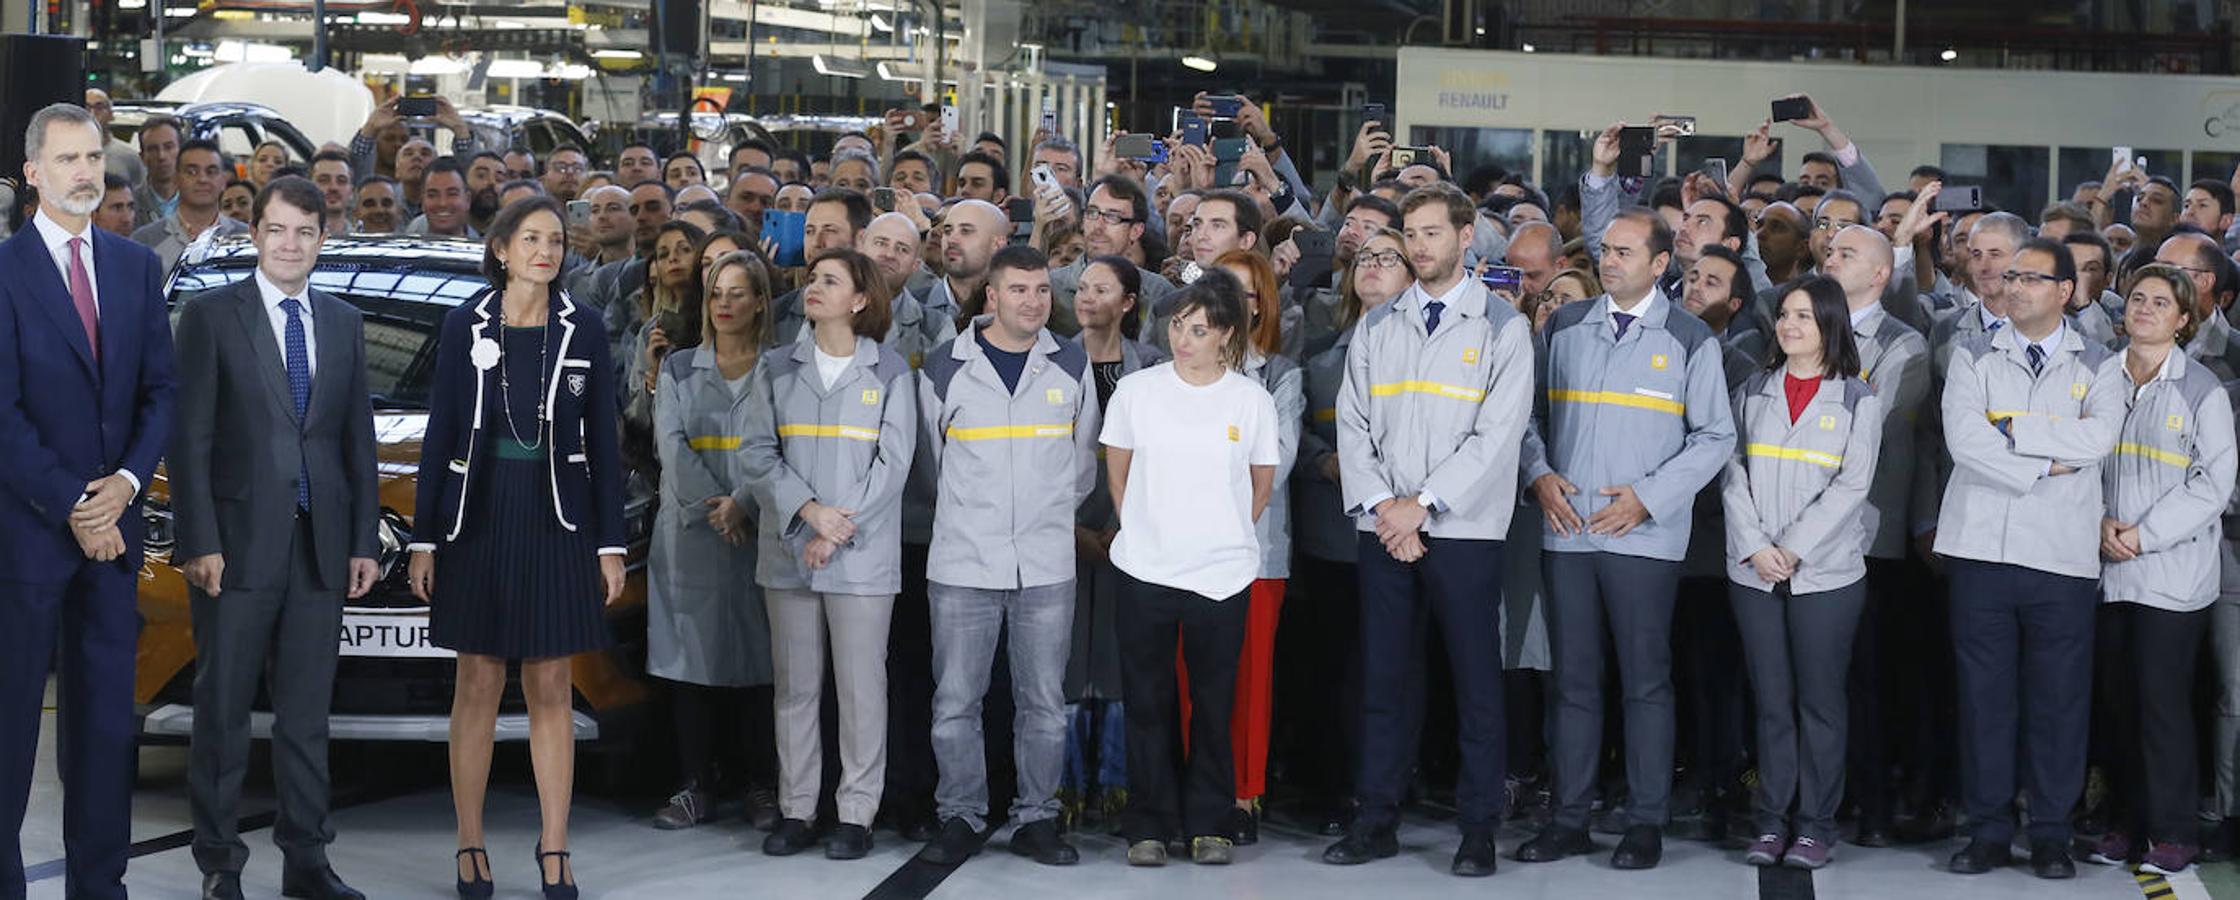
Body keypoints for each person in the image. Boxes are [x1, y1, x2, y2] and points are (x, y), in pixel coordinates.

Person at [404, 196, 629, 900]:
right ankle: (470, 842)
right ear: (500, 248)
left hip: (557, 519)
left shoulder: (583, 326)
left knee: (551, 683)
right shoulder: (463, 321)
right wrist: (424, 537)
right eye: (531, 238)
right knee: (476, 679)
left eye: (556, 240)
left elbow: (606, 440)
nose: (546, 251)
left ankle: (554, 847)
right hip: (479, 516)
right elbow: (440, 436)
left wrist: (611, 544)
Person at [168, 175, 378, 900]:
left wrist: (363, 542)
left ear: (324, 239)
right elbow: (188, 438)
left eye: (306, 232)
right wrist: (198, 540)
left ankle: (307, 860)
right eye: (278, 229)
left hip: (320, 549)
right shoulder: (210, 316)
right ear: (254, 233)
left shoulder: (346, 322)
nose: (290, 245)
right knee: (222, 713)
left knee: (306, 716)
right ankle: (220, 863)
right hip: (234, 548)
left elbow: (358, 442)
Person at [1320, 184, 1533, 877]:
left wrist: (1424, 505)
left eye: (1432, 233)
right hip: (1385, 529)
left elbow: (1497, 437)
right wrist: (1388, 507)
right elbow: (1353, 427)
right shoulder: (1378, 327)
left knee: (1475, 683)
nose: (1418, 247)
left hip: (1464, 530)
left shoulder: (1503, 327)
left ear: (1466, 238)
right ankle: (1375, 818)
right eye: (1410, 234)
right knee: (1385, 680)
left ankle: (1477, 830)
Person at [1518, 207, 1736, 870]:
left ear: (1660, 265)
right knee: (1574, 683)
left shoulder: (1692, 338)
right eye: (1605, 250)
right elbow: (1527, 419)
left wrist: (1649, 498)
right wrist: (1539, 475)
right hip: (1568, 530)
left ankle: (1645, 821)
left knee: (1646, 682)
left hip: (1644, 536)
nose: (1609, 261)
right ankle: (1570, 817)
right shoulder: (1563, 327)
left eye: (1625, 252)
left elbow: (1716, 437)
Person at [0, 101, 176, 900]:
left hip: (114, 536)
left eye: (93, 158)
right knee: (8, 734)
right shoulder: (4, 272)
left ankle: (99, 888)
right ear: (32, 172)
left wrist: (127, 486)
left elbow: (161, 394)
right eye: (66, 159)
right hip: (28, 541)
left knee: (105, 733)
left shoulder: (136, 267)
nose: (83, 173)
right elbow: (1, 415)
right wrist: (78, 504)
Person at [1936, 237, 2124, 879]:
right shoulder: (1970, 352)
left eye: (2030, 279)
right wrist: (2048, 462)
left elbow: (2099, 437)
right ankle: (1986, 829)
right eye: (2009, 277)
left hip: (2062, 557)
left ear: (2065, 291)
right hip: (1980, 549)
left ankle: (2050, 831)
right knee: (1985, 698)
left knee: (2058, 700)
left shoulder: (2100, 361)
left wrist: (2013, 431)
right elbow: (1964, 441)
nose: (2013, 287)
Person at [913, 245, 1101, 867]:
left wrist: (1041, 517)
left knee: (1044, 701)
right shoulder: (943, 369)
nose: (1033, 301)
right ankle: (960, 814)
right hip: (964, 561)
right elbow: (930, 470)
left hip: (1046, 564)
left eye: (1043, 290)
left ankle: (1037, 818)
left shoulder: (1072, 366)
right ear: (990, 296)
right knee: (956, 700)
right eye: (1019, 289)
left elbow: (1081, 471)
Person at [739, 248, 916, 861]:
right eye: (812, 279)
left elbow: (894, 465)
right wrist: (810, 513)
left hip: (860, 556)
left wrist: (837, 527)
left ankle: (857, 813)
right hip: (790, 548)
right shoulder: (776, 367)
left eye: (830, 281)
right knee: (795, 689)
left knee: (862, 688)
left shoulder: (891, 371)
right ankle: (797, 809)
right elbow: (757, 453)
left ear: (860, 299)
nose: (814, 287)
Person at [1100, 270, 1279, 868]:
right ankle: (1148, 822)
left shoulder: (1250, 399)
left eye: (1198, 329)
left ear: (1226, 334)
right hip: (1145, 567)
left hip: (1221, 574)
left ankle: (1210, 821)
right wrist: (1142, 527)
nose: (1183, 339)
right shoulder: (1138, 391)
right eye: (1178, 325)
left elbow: (1260, 483)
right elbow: (1118, 471)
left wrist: (1222, 531)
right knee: (1147, 699)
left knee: (1213, 699)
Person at [1719, 275, 1884, 871]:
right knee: (1771, 701)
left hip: (1825, 573)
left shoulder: (1857, 399)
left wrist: (1792, 548)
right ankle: (1770, 819)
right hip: (1755, 570)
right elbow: (1732, 472)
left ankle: (1815, 824)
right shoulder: (1753, 389)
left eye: (1804, 318)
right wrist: (1757, 547)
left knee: (1819, 702)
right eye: (1785, 315)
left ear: (1830, 327)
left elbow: (1852, 486)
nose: (1789, 326)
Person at [2085, 264, 2236, 876]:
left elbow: (2213, 484)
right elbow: (2079, 460)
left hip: (2171, 573)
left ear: (2183, 319)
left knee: (2162, 703)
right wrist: (2097, 522)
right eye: (2138, 298)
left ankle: (2172, 829)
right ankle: (2124, 819)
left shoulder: (2203, 389)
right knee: (2117, 701)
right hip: (2103, 564)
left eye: (2161, 302)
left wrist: (2143, 535)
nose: (2145, 309)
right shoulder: (2097, 377)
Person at [648, 250, 781, 832]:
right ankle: (693, 785)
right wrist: (719, 508)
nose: (724, 304)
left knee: (760, 664)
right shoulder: (677, 368)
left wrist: (743, 504)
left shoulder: (779, 368)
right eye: (717, 293)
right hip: (692, 537)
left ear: (759, 302)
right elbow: (671, 449)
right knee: (691, 662)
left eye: (737, 293)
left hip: (758, 532)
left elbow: (780, 446)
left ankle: (761, 785)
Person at [1289, 228, 1413, 832]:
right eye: (1364, 257)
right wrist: (1323, 460)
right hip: (1334, 538)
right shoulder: (1320, 357)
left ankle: (1385, 785)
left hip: (1403, 534)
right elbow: (1298, 433)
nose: (1372, 267)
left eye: (1389, 258)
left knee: (1388, 669)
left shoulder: (1426, 355)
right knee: (1329, 668)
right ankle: (1333, 787)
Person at [1816, 225, 1931, 847]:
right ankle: (1816, 798)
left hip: (1867, 536)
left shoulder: (1904, 345)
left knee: (1867, 678)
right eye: (1829, 250)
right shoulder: (1799, 327)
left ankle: (1873, 801)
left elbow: (1869, 429)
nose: (1831, 257)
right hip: (1798, 532)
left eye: (1847, 254)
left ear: (1882, 274)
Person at [1061, 255, 1167, 833]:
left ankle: (1119, 781)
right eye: (1081, 288)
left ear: (1128, 302)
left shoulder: (1151, 366)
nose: (1087, 297)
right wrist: (1069, 526)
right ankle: (1067, 782)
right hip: (1064, 521)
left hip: (1133, 522)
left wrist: (1129, 522)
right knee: (1069, 655)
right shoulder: (1051, 359)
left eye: (1102, 289)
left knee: (1123, 653)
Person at [1201, 249, 1301, 845]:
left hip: (1255, 550)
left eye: (1246, 294)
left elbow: (1275, 464)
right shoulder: (1176, 370)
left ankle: (1242, 794)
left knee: (1249, 678)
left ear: (1262, 305)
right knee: (1192, 678)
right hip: (1184, 554)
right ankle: (1196, 788)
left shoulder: (1281, 374)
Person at [130, 138, 247, 278]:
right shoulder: (144, 241)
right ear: (176, 178)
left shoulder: (246, 239)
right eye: (192, 172)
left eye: (211, 172)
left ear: (223, 181)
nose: (202, 179)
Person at [131, 114, 182, 228]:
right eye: (153, 149)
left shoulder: (201, 200)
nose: (161, 156)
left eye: (168, 147)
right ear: (142, 157)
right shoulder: (131, 204)